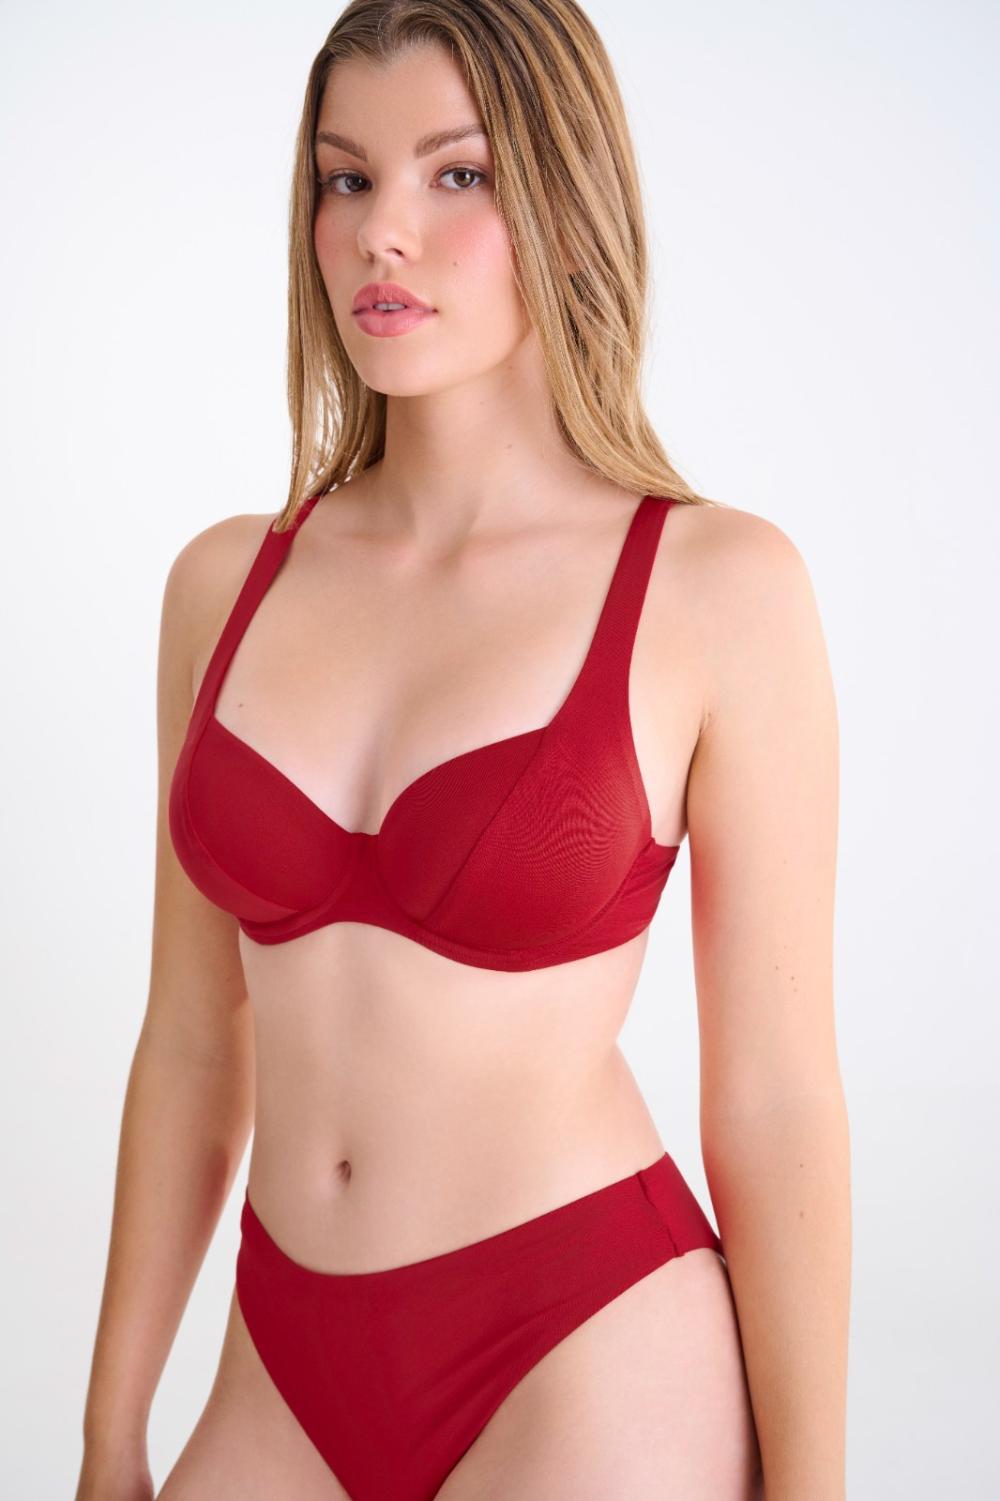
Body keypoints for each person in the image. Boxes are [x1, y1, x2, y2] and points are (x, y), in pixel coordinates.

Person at [76, 3, 849, 1498]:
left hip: (587, 1342)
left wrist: (813, 1489)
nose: (382, 231)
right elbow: (190, 1039)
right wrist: (111, 1431)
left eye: (458, 174)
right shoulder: (223, 587)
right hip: (280, 1359)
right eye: (345, 177)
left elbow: (774, 1095)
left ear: (565, 200)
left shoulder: (716, 590)